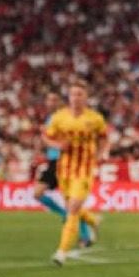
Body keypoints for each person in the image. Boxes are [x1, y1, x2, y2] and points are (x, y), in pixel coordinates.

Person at [45, 80, 108, 267]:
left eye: (80, 94)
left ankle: (61, 252)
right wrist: (57, 145)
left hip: (84, 170)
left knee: (72, 208)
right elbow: (47, 137)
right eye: (73, 94)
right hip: (64, 169)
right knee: (71, 207)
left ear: (86, 97)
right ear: (68, 97)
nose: (76, 98)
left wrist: (98, 155)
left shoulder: (95, 119)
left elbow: (104, 139)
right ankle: (92, 219)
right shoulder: (59, 117)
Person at [34, 91, 94, 247]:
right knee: (37, 193)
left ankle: (85, 235)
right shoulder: (50, 119)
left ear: (60, 102)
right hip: (53, 161)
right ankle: (65, 215)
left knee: (72, 203)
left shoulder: (65, 118)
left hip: (65, 161)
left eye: (54, 99)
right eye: (48, 99)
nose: (50, 102)